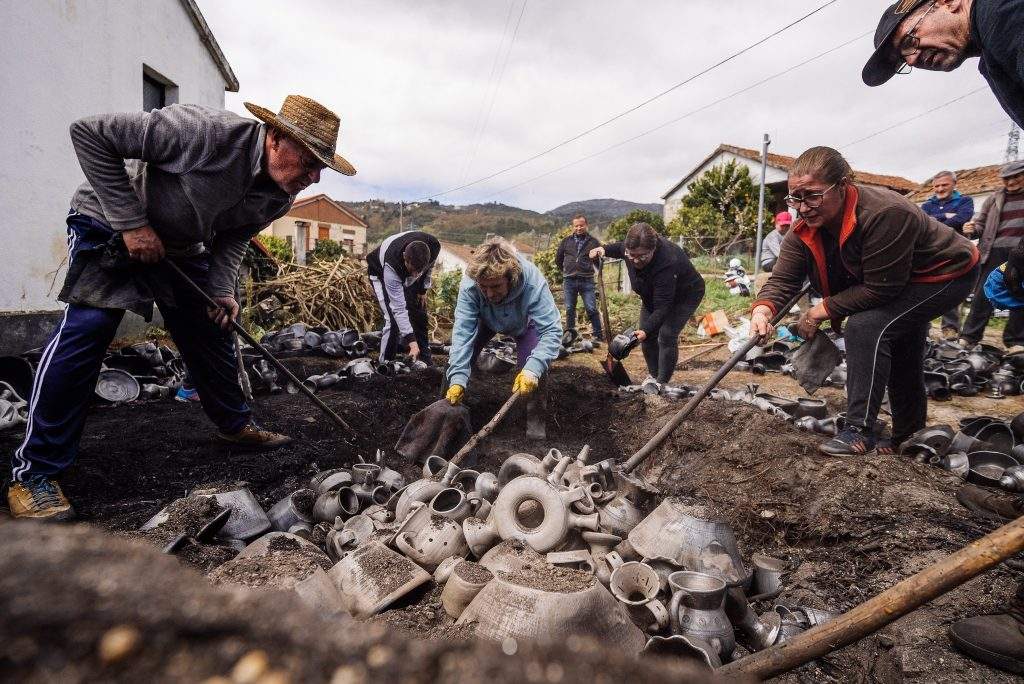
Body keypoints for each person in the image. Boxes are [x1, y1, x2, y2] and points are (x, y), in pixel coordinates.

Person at [8, 95, 355, 521]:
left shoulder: (278, 197)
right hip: (109, 221)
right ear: (277, 138)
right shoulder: (203, 133)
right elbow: (89, 134)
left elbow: (233, 238)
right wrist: (132, 224)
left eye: (322, 166)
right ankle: (34, 474)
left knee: (211, 328)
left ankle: (234, 425)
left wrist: (222, 290)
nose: (315, 175)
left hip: (181, 243)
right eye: (310, 161)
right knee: (91, 327)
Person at [864, 2, 1024, 673]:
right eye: (905, 58)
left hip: (952, 275)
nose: (914, 56)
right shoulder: (994, 46)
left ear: (939, 3)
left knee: (882, 327)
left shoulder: (1008, 15)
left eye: (908, 39)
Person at [751, 147, 978, 457]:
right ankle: (908, 435)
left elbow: (881, 290)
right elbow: (783, 280)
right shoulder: (802, 229)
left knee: (866, 326)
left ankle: (858, 430)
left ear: (843, 185)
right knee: (901, 345)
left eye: (813, 196)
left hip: (945, 272)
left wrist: (819, 311)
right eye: (795, 198)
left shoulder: (884, 213)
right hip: (897, 278)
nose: (803, 208)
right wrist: (763, 311)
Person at [444, 237, 562, 440]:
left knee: (534, 370)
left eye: (496, 286)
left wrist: (533, 369)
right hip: (485, 319)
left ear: (511, 277)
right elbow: (462, 335)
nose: (489, 293)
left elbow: (552, 331)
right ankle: (446, 413)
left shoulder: (532, 282)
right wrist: (457, 378)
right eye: (484, 287)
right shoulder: (470, 286)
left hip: (525, 323)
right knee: (456, 365)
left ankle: (534, 428)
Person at [862, 0, 1024, 130]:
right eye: (902, 61)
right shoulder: (990, 43)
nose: (911, 60)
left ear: (948, 2)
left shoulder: (1004, 14)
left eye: (909, 40)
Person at [590, 223, 706, 391]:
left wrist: (645, 330)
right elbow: (620, 248)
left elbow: (663, 307)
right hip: (652, 295)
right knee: (647, 337)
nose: (636, 260)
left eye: (642, 257)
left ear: (653, 249)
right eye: (632, 256)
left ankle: (662, 382)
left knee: (666, 334)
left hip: (685, 295)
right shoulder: (630, 248)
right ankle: (654, 375)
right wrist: (603, 250)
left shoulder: (667, 261)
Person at [958, 161, 1024, 353]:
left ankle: (1017, 342)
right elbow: (980, 226)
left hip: (1021, 253)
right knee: (984, 294)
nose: (1011, 181)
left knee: (1019, 295)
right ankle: (969, 336)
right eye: (1007, 178)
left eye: (1016, 176)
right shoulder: (994, 199)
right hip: (994, 251)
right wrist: (971, 229)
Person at [367, 230, 441, 364]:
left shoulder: (434, 246)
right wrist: (412, 343)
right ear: (404, 258)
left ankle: (425, 358)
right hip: (379, 273)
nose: (415, 275)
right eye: (412, 270)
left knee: (419, 312)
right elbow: (399, 309)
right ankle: (386, 364)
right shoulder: (392, 265)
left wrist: (423, 289)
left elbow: (429, 269)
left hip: (409, 271)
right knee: (393, 320)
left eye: (418, 271)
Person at [921, 170, 975, 338]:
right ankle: (923, 327)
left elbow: (962, 218)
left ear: (954, 184)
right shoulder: (927, 204)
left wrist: (937, 219)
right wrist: (947, 216)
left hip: (955, 251)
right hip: (931, 251)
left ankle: (950, 328)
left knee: (950, 288)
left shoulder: (965, 201)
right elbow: (924, 221)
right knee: (923, 288)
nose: (940, 189)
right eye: (937, 186)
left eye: (944, 185)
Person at [554, 214, 603, 343]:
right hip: (569, 280)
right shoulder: (566, 241)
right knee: (570, 308)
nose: (579, 228)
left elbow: (599, 262)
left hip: (586, 280)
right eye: (576, 226)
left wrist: (598, 270)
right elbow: (558, 259)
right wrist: (566, 270)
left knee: (591, 308)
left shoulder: (593, 242)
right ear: (573, 226)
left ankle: (598, 336)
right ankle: (569, 336)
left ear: (586, 225)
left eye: (581, 225)